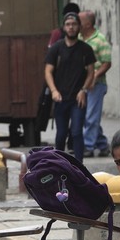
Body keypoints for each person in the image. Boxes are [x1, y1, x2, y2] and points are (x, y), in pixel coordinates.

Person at [44, 13, 96, 162]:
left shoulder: (85, 49)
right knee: (61, 134)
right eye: (68, 24)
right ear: (64, 27)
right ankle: (59, 164)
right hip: (60, 98)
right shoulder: (56, 48)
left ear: (79, 27)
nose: (71, 27)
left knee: (76, 132)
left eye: (74, 24)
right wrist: (54, 90)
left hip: (78, 99)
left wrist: (83, 90)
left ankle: (79, 166)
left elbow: (91, 72)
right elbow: (48, 71)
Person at [78, 11, 112, 158]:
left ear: (87, 24)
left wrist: (94, 76)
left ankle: (88, 146)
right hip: (82, 84)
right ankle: (103, 144)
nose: (76, 24)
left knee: (91, 116)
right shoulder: (79, 38)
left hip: (96, 85)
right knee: (87, 116)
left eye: (79, 21)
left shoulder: (100, 40)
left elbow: (106, 63)